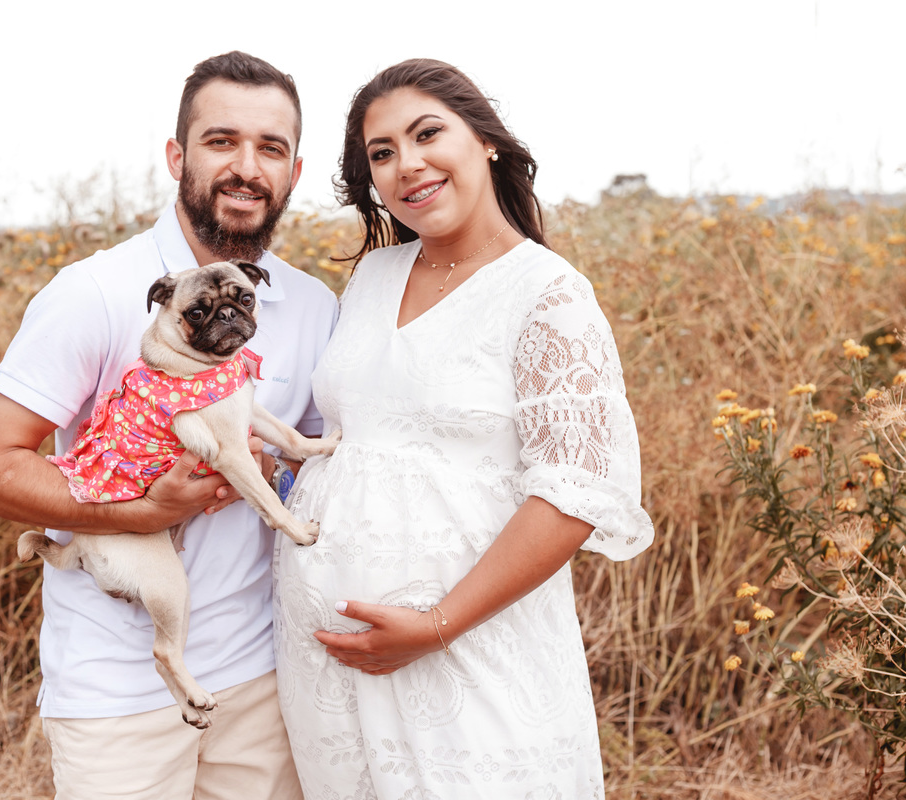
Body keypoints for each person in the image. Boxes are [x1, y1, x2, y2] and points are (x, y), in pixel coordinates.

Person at [0, 51, 336, 800]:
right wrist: (145, 511)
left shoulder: (314, 305)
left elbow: (323, 468)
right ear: (177, 155)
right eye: (221, 141)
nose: (246, 167)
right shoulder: (93, 293)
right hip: (116, 691)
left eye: (271, 148)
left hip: (264, 677)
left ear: (294, 170)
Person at [272, 59, 654, 799]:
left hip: (471, 654)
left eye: (426, 134)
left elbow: (574, 496)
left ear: (485, 141)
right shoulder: (373, 277)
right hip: (329, 671)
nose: (406, 164)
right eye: (381, 154)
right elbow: (356, 441)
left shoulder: (548, 293)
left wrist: (438, 624)